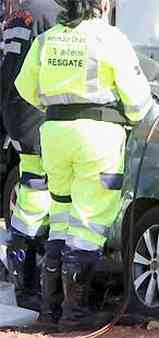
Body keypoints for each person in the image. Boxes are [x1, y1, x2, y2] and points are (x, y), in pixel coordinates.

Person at [15, 0, 156, 330]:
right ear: (102, 4)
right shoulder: (109, 38)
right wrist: (136, 119)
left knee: (61, 216)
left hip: (54, 135)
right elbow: (138, 102)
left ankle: (50, 311)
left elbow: (26, 90)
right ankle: (75, 315)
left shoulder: (46, 39)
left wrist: (58, 106)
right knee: (89, 222)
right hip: (98, 137)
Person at [1, 0, 61, 313]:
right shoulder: (56, 16)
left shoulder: (23, 13)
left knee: (33, 193)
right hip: (38, 116)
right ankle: (33, 284)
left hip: (17, 113)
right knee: (46, 196)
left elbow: (7, 66)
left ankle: (25, 276)